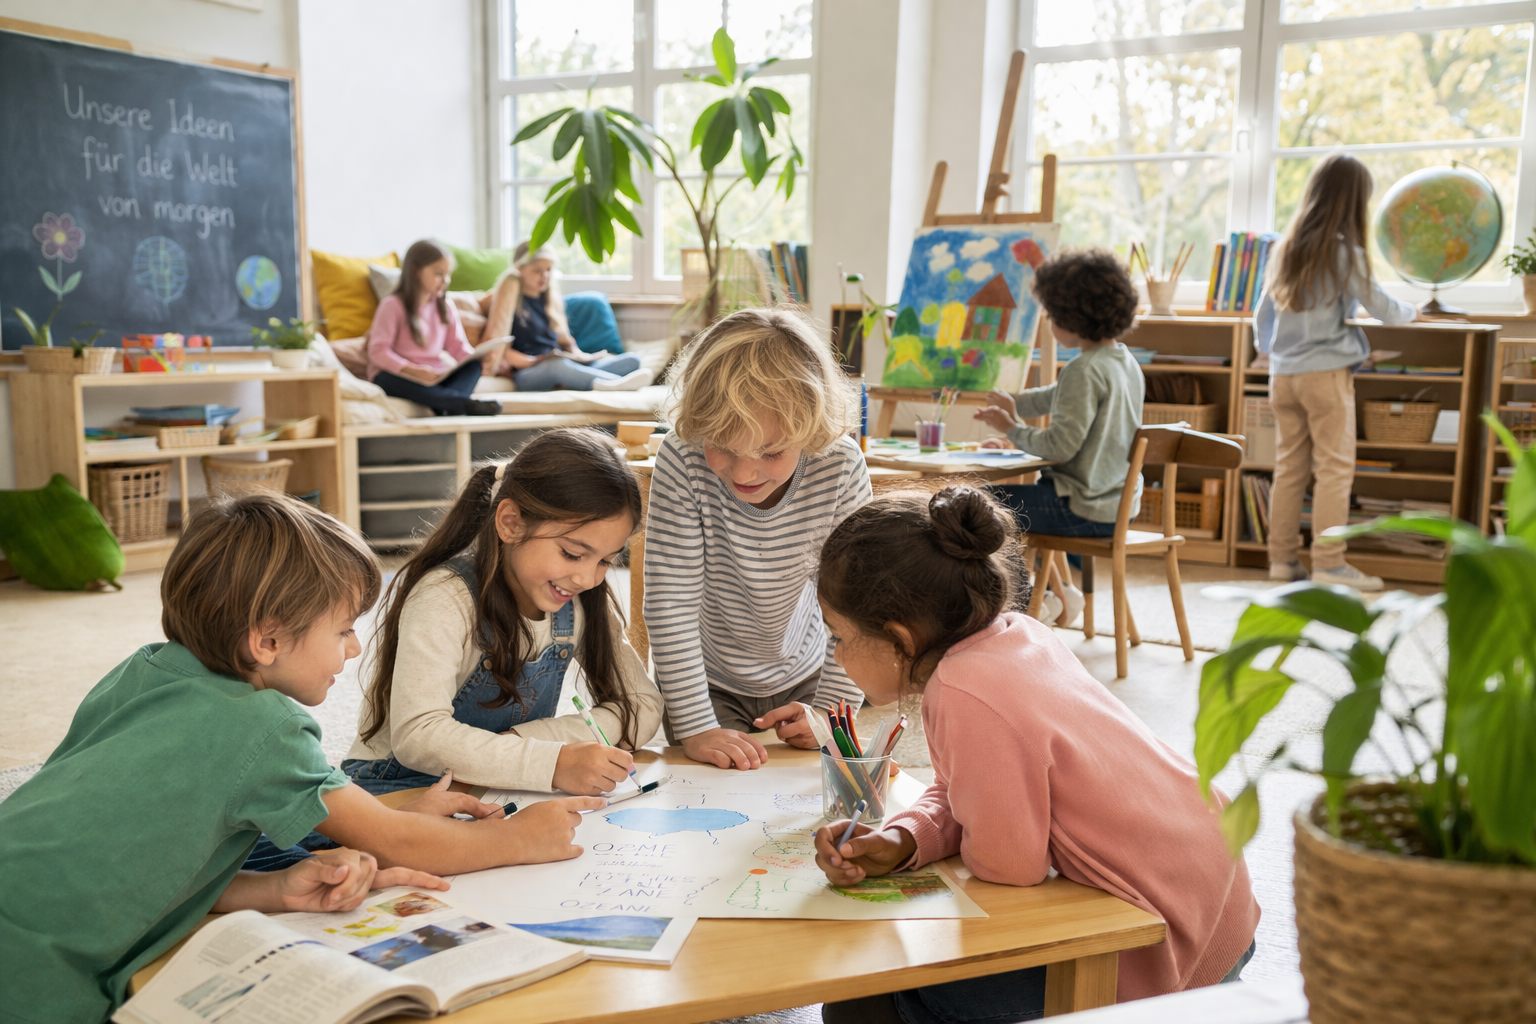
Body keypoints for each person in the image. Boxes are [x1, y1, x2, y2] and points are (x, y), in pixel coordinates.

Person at [0, 494, 599, 1022]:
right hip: (39, 977)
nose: (356, 646)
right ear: (267, 641)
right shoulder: (264, 725)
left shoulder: (142, 669)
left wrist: (270, 888)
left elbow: (125, 845)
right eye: (342, 630)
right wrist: (518, 840)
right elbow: (398, 843)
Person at [812, 486, 1260, 1024]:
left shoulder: (962, 692)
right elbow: (969, 792)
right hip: (1221, 900)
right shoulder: (1016, 635)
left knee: (869, 992)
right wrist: (906, 837)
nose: (833, 653)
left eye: (838, 636)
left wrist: (958, 838)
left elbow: (1009, 867)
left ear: (900, 639)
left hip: (1162, 943)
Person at [345, 427, 663, 796]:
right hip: (399, 785)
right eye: (573, 554)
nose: (587, 577)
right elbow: (418, 736)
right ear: (511, 523)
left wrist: (528, 740)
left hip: (500, 779)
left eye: (606, 560)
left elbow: (642, 707)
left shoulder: (582, 600)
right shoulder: (444, 597)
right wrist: (551, 761)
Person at [644, 307, 872, 770]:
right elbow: (671, 602)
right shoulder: (681, 457)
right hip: (704, 681)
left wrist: (832, 711)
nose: (745, 472)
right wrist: (695, 726)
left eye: (770, 452)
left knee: (807, 797)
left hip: (810, 673)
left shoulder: (840, 464)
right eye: (723, 447)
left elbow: (860, 603)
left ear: (809, 430)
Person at [1254, 153, 1418, 591]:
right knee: (1334, 469)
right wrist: (1415, 310)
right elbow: (1384, 309)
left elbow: (1261, 317)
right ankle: (1329, 564)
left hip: (1283, 375)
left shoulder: (1283, 249)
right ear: (1354, 202)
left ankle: (1281, 562)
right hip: (1325, 375)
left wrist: (1268, 353)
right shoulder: (1346, 254)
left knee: (1289, 468)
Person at [973, 248, 1144, 626]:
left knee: (977, 506)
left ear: (1072, 316)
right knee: (993, 504)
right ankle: (1044, 595)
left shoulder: (1084, 371)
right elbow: (1055, 396)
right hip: (1115, 505)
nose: (1049, 321)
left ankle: (1026, 603)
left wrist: (1012, 430)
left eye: (1051, 314)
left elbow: (1061, 446)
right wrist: (1013, 402)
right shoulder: (1122, 362)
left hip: (1080, 507)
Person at [481, 242, 652, 392]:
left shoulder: (549, 301)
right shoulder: (509, 301)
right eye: (537, 271)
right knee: (557, 366)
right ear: (519, 269)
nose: (544, 276)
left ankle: (591, 381)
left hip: (564, 363)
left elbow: (566, 343)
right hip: (528, 372)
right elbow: (504, 351)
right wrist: (536, 361)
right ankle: (612, 384)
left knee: (632, 361)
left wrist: (580, 356)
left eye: (548, 270)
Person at [366, 239, 501, 416]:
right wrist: (412, 370)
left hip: (434, 376)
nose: (445, 280)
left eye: (448, 274)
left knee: (473, 367)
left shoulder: (446, 306)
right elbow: (378, 351)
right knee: (384, 379)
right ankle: (460, 404)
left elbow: (458, 347)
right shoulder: (392, 305)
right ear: (415, 272)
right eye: (438, 274)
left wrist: (476, 358)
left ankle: (446, 404)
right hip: (401, 375)